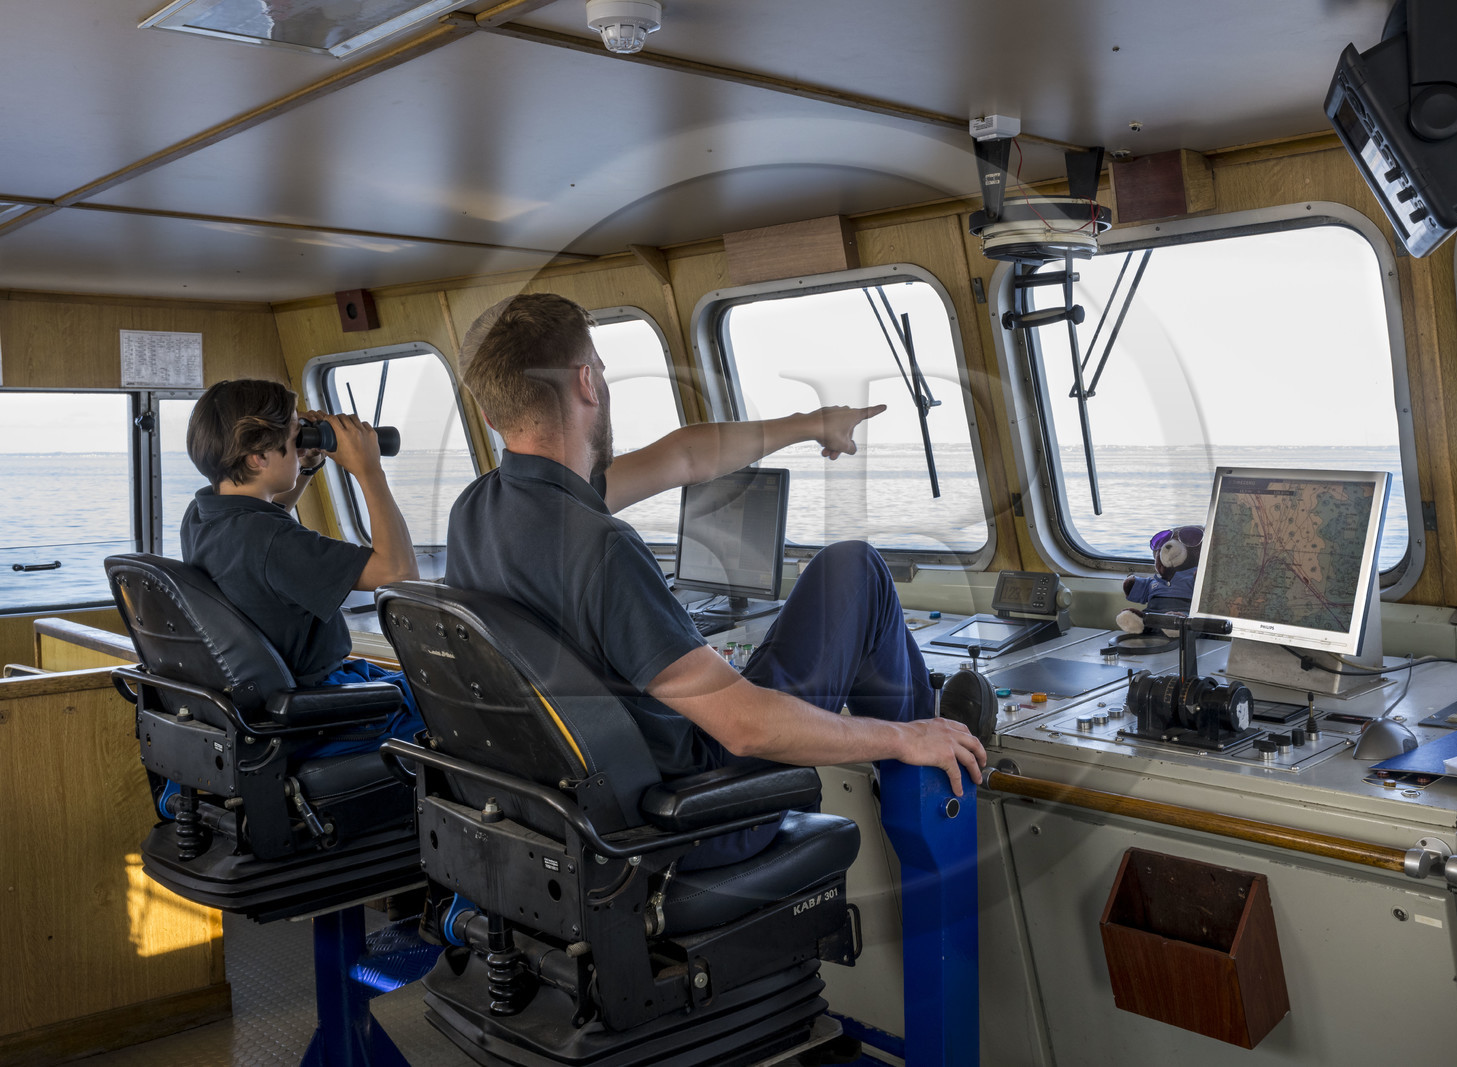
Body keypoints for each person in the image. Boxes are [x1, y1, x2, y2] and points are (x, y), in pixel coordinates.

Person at [447, 294, 985, 865]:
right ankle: (932, 750)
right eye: (601, 368)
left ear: (490, 410)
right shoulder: (602, 549)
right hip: (696, 813)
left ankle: (928, 727)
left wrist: (813, 425)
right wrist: (900, 738)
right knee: (853, 571)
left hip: (581, 812)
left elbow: (683, 457)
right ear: (586, 382)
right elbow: (744, 729)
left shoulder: (478, 510)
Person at [180, 378, 423, 756]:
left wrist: (305, 467)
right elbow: (399, 574)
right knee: (453, 710)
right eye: (297, 439)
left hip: (268, 706)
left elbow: (266, 525)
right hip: (319, 715)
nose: (303, 445)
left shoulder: (203, 514)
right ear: (258, 457)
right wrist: (368, 471)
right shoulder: (270, 541)